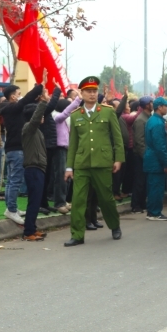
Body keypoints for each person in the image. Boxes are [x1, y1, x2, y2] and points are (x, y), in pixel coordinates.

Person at [63, 76, 124, 247]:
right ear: (81, 94)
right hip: (82, 164)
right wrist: (69, 167)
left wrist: (118, 158)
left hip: (103, 162)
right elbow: (73, 143)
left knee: (106, 198)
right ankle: (77, 234)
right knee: (78, 200)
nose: (92, 94)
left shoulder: (107, 111)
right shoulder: (76, 116)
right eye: (88, 91)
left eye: (94, 91)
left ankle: (114, 225)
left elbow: (117, 138)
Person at [0, 82, 43, 224]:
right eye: (18, 94)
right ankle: (11, 210)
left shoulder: (12, 109)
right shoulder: (11, 107)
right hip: (16, 149)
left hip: (14, 149)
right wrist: (39, 86)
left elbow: (27, 102)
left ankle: (12, 208)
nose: (20, 96)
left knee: (12, 180)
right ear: (12, 97)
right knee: (15, 181)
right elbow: (26, 100)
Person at [22, 88, 60, 241]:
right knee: (33, 202)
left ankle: (32, 228)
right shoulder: (28, 129)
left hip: (39, 169)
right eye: (40, 115)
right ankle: (28, 232)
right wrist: (44, 102)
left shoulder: (38, 131)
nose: (43, 118)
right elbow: (36, 118)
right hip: (33, 169)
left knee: (36, 202)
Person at [52, 96, 82, 214]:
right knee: (60, 176)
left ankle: (64, 200)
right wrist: (77, 100)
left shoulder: (66, 119)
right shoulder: (56, 116)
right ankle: (59, 203)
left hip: (67, 149)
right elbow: (64, 113)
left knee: (67, 177)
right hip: (59, 149)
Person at [144, 97, 167, 221]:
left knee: (154, 187)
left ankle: (152, 211)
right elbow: (160, 146)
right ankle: (155, 212)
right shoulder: (158, 123)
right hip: (156, 160)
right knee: (156, 188)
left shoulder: (154, 120)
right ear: (159, 107)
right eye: (166, 106)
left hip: (152, 158)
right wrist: (166, 163)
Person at [38, 86, 62, 215]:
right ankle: (40, 204)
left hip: (50, 146)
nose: (49, 95)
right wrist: (57, 89)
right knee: (43, 178)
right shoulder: (39, 108)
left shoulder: (44, 109)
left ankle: (45, 203)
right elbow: (52, 104)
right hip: (45, 147)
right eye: (46, 93)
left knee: (47, 178)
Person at [131, 96, 153, 214]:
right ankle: (136, 205)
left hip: (146, 154)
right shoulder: (140, 120)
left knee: (144, 181)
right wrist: (145, 156)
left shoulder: (148, 117)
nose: (152, 104)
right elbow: (139, 141)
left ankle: (142, 203)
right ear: (146, 105)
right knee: (139, 181)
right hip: (140, 155)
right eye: (151, 103)